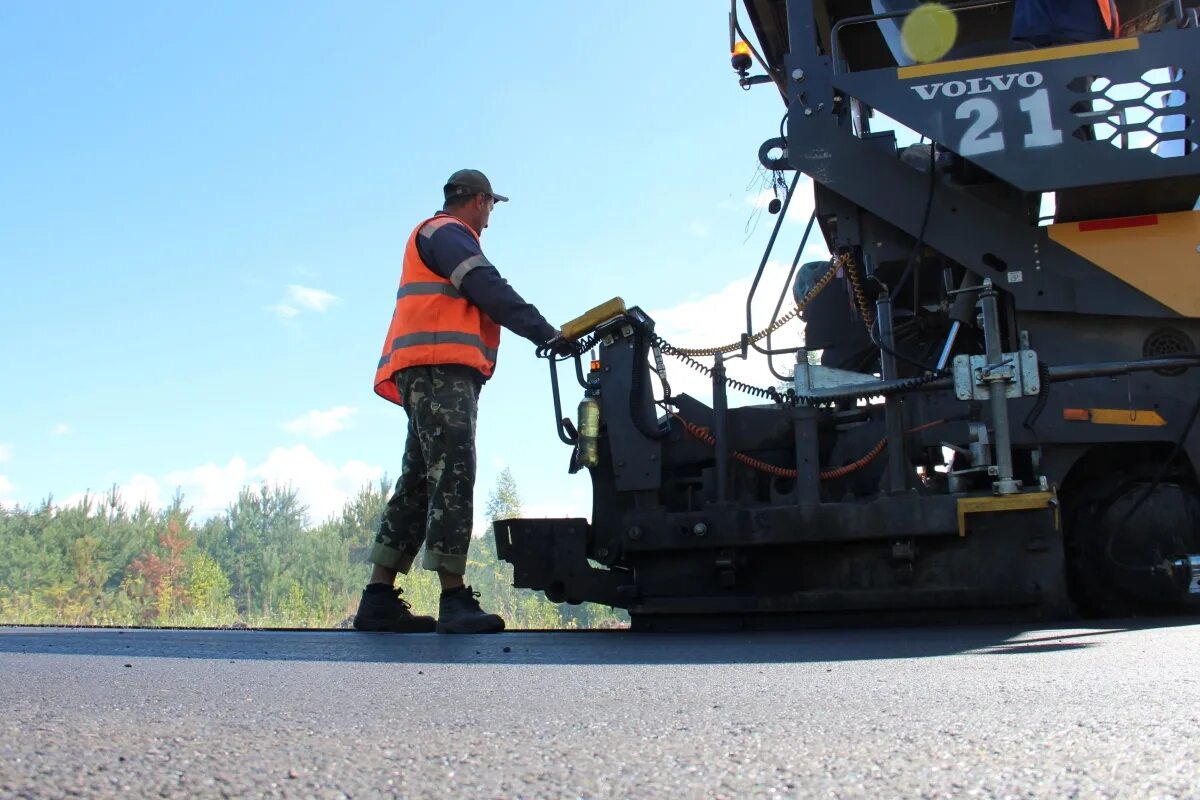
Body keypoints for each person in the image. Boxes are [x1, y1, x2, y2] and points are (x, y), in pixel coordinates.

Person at [354, 169, 570, 634]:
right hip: (439, 369)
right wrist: (546, 332)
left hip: (425, 368)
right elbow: (488, 290)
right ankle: (453, 597)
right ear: (477, 200)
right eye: (491, 206)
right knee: (452, 471)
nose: (490, 218)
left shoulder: (436, 235)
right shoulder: (448, 234)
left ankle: (377, 598)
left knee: (417, 480)